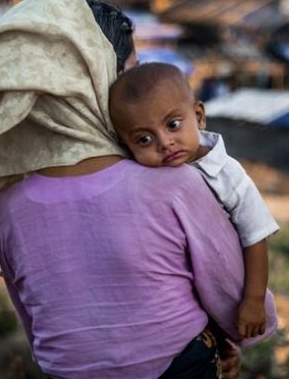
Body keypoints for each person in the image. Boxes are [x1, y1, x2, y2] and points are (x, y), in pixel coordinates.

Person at [0, 0, 274, 377]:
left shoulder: (5, 207)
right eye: (127, 74)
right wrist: (240, 333)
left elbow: (36, 321)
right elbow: (232, 297)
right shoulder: (174, 184)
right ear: (89, 78)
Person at [108, 63, 279, 339]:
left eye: (173, 125)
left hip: (228, 293)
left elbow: (256, 236)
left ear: (199, 116)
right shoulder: (140, 180)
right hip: (176, 300)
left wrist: (254, 300)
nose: (164, 143)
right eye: (144, 139)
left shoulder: (227, 174)